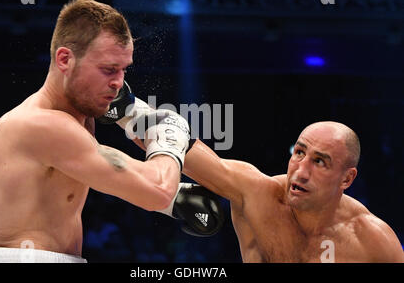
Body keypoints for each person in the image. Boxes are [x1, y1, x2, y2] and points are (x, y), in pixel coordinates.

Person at [0, 0, 223, 263]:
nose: (118, 82)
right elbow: (157, 190)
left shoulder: (79, 118)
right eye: (108, 69)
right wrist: (170, 137)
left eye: (124, 70)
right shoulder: (42, 125)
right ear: (64, 60)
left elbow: (104, 173)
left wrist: (176, 200)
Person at [107, 82, 404, 263]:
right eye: (299, 153)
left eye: (320, 161)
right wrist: (122, 107)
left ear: (347, 178)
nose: (300, 171)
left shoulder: (374, 242)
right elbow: (181, 146)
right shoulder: (258, 194)